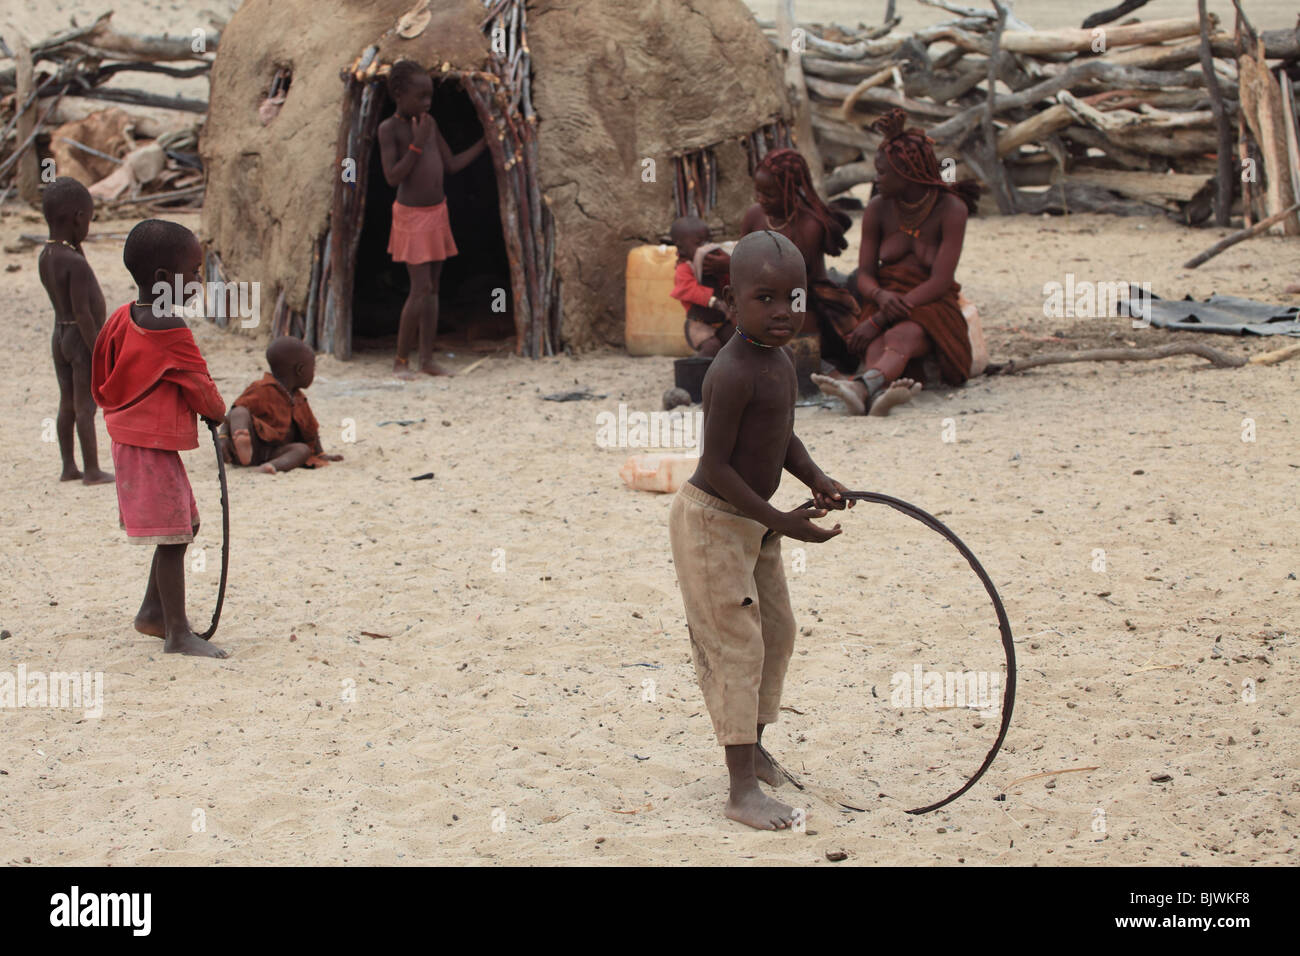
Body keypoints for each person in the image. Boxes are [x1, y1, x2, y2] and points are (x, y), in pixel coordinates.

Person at [668, 230, 853, 830]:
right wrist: (780, 521)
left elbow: (781, 436)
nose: (782, 313)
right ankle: (740, 790)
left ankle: (754, 744)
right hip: (715, 523)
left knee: (776, 631)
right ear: (731, 299)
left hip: (757, 525)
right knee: (737, 646)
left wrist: (817, 478)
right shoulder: (731, 371)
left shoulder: (780, 362)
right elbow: (718, 466)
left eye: (793, 299)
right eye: (765, 298)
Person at [90, 219, 228, 658]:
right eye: (194, 271)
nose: (199, 281)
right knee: (173, 536)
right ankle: (177, 633)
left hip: (130, 440)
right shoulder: (171, 329)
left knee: (185, 525)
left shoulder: (122, 317)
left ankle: (152, 612)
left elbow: (103, 366)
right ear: (167, 281)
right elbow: (201, 386)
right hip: (147, 447)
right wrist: (217, 413)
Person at [812, 108, 979, 416]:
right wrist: (878, 297)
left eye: (883, 173)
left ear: (908, 174)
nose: (877, 179)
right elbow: (864, 273)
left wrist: (880, 317)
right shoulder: (878, 208)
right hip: (884, 299)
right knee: (875, 343)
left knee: (899, 335)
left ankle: (860, 388)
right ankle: (877, 395)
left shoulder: (952, 209)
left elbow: (941, 281)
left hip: (931, 305)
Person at [378, 59, 487, 379]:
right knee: (420, 287)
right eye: (420, 96)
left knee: (433, 288)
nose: (427, 103)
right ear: (399, 93)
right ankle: (400, 361)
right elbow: (392, 177)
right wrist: (416, 144)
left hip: (437, 213)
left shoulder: (430, 123)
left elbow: (451, 164)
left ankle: (426, 359)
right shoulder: (390, 129)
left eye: (430, 97)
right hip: (411, 218)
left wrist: (484, 145)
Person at [739, 148, 859, 367]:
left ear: (791, 191)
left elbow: (792, 278)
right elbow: (742, 261)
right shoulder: (754, 216)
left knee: (794, 324)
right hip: (762, 295)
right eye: (758, 192)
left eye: (769, 194)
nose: (761, 199)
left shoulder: (810, 225)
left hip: (803, 297)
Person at [38, 177, 113, 485]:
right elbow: (83, 312)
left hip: (59, 334)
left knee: (66, 401)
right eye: (89, 220)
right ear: (78, 217)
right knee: (86, 406)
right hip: (79, 338)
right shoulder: (75, 264)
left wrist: (76, 242)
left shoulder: (49, 255)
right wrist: (99, 351)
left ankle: (69, 466)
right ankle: (92, 470)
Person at [221, 336, 343, 474]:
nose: (313, 373)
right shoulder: (261, 388)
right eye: (313, 368)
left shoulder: (299, 399)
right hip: (254, 443)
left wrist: (320, 454)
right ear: (300, 370)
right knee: (240, 412)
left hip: (276, 451)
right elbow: (232, 413)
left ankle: (271, 466)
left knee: (302, 450)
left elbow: (311, 430)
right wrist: (223, 437)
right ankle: (242, 444)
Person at [669, 215, 733, 357]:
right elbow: (688, 289)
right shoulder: (685, 268)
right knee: (711, 348)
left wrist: (724, 270)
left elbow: (727, 284)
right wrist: (714, 302)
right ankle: (700, 376)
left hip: (721, 321)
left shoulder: (713, 265)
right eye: (699, 244)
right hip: (699, 324)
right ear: (682, 248)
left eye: (708, 241)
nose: (706, 247)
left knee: (737, 343)